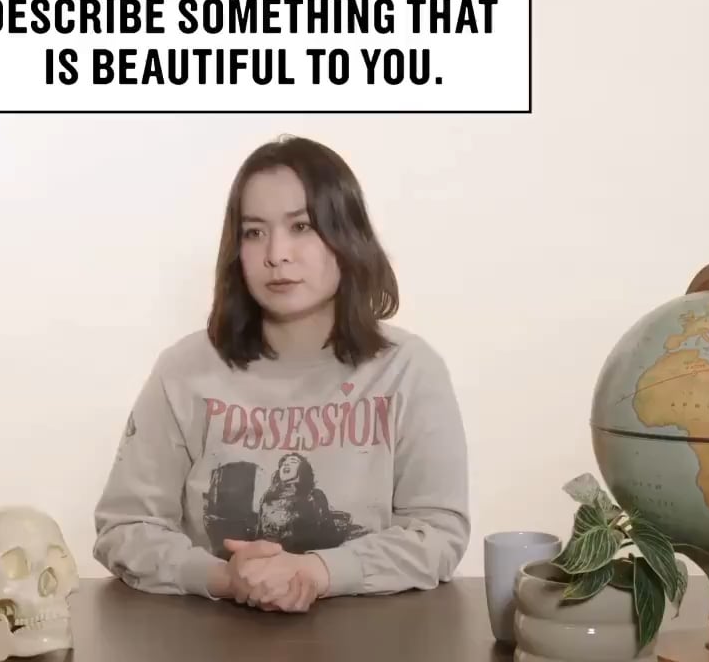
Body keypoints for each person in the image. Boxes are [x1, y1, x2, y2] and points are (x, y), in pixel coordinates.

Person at [92, 134, 470, 613]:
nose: (277, 254)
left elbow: (438, 532)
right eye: (254, 232)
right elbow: (124, 529)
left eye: (302, 227)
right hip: (210, 635)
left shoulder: (410, 370)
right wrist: (224, 578)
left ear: (346, 235)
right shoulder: (183, 371)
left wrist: (316, 572)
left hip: (372, 634)